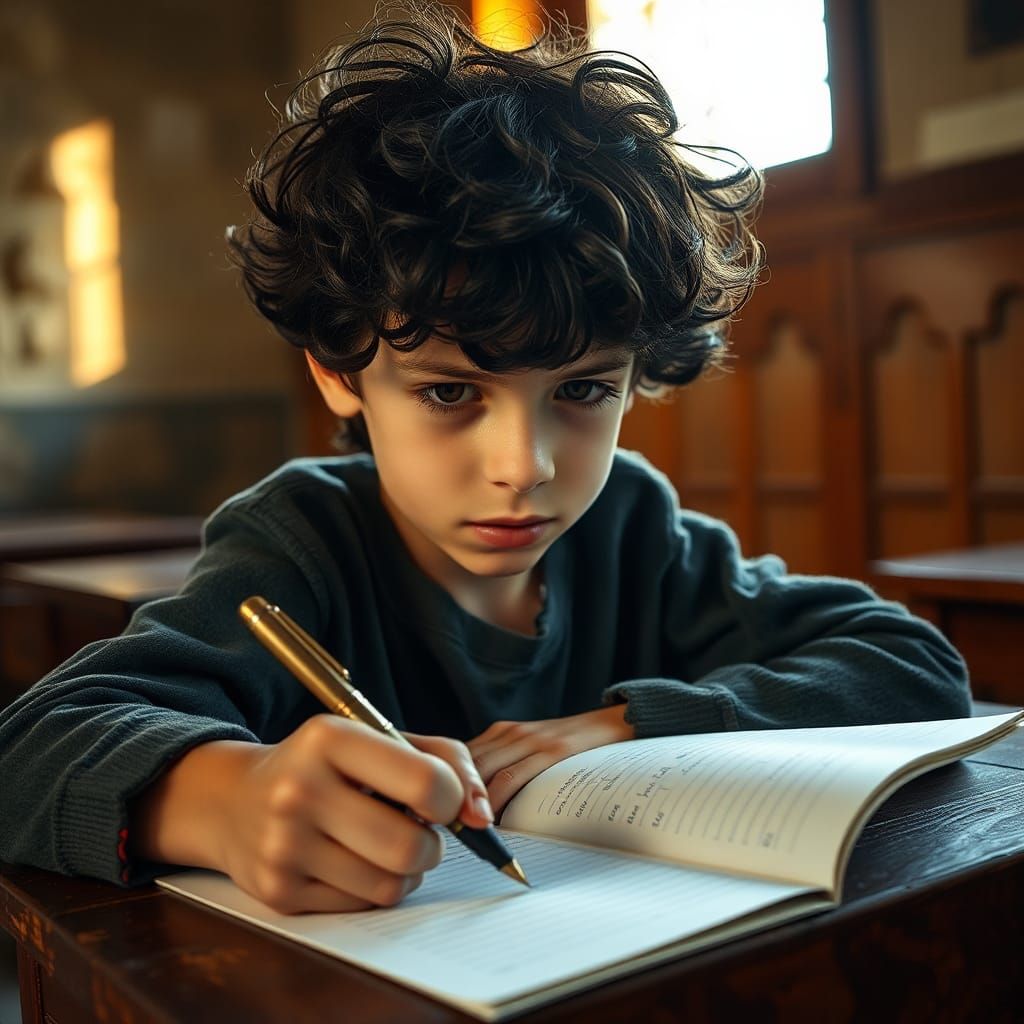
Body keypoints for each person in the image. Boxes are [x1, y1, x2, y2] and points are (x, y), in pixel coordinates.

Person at [0, 2, 970, 914]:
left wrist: (626, 724)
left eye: (581, 391)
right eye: (449, 393)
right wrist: (226, 800)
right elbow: (29, 748)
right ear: (338, 370)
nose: (525, 467)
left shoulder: (634, 527)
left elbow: (913, 663)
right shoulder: (302, 542)